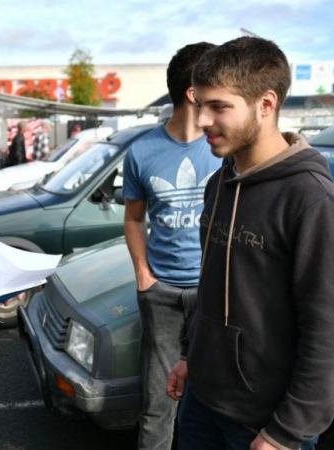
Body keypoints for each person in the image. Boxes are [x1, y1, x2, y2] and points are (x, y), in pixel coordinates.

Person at [166, 37, 334, 450]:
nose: (201, 120)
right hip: (201, 403)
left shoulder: (313, 201)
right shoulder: (220, 183)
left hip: (264, 425)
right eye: (199, 104)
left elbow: (332, 334)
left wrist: (285, 433)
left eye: (218, 106)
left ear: (266, 104)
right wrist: (189, 356)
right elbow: (212, 284)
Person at [122, 42, 219, 450]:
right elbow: (133, 218)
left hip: (212, 293)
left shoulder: (223, 149)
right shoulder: (142, 151)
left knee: (213, 400)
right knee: (157, 402)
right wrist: (144, 274)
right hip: (161, 294)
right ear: (193, 93)